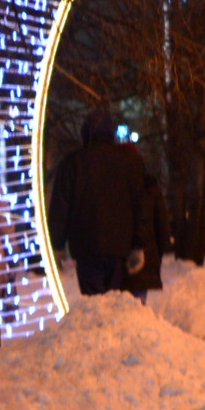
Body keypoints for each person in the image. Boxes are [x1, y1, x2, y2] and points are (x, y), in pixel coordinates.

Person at [56, 109, 152, 298]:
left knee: (94, 303)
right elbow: (141, 205)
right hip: (119, 248)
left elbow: (61, 205)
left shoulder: (73, 163)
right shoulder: (129, 162)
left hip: (86, 247)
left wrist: (57, 243)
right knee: (112, 301)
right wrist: (138, 243)